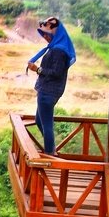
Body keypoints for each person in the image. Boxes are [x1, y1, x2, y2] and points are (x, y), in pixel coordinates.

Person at [27, 17, 76, 156]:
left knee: (46, 124)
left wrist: (37, 69)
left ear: (55, 35)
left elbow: (56, 73)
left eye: (47, 35)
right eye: (44, 35)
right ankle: (51, 149)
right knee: (39, 120)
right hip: (47, 90)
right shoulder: (56, 48)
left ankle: (50, 154)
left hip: (48, 92)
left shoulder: (58, 51)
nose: (46, 38)